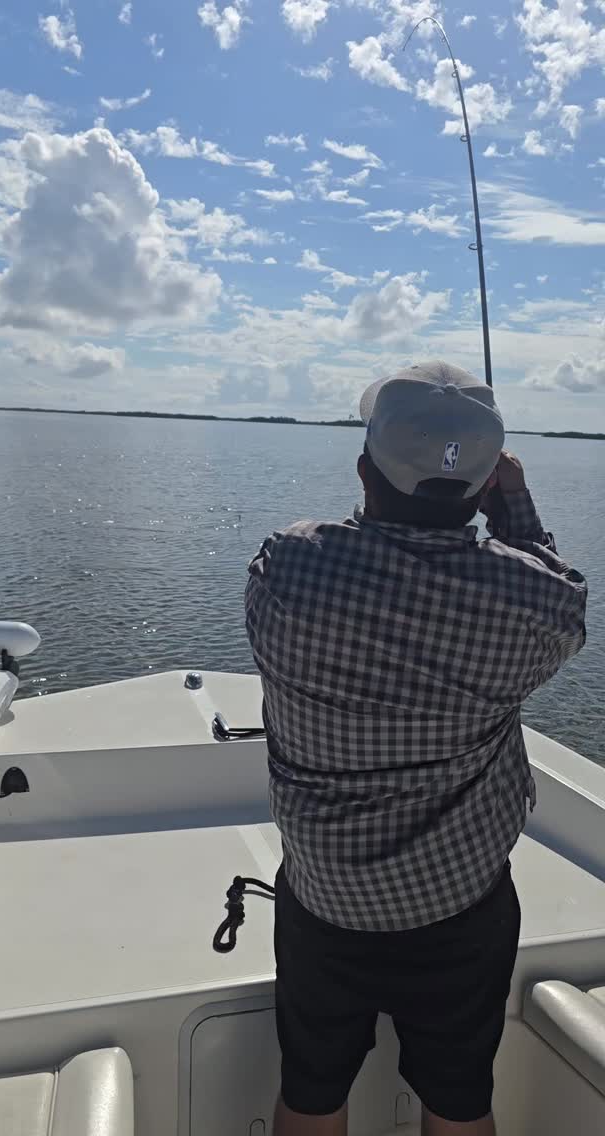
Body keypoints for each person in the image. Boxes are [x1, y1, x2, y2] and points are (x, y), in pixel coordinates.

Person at [245, 361, 588, 1136]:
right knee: (460, 1102)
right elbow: (559, 590)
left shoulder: (286, 567)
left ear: (364, 468)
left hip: (324, 900)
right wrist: (514, 508)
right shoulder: (534, 604)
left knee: (311, 1094)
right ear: (487, 482)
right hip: (460, 906)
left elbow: (354, 562)